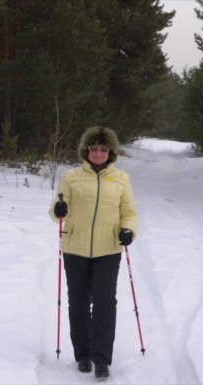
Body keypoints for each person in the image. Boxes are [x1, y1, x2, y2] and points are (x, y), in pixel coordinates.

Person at [49, 126, 138, 379]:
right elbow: (55, 211)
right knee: (78, 303)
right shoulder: (71, 176)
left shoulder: (121, 179)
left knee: (104, 304)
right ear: (86, 151)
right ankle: (83, 354)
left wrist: (128, 230)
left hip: (108, 250)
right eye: (94, 148)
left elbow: (129, 212)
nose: (98, 153)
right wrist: (60, 209)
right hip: (74, 248)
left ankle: (101, 360)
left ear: (110, 152)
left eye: (103, 149)